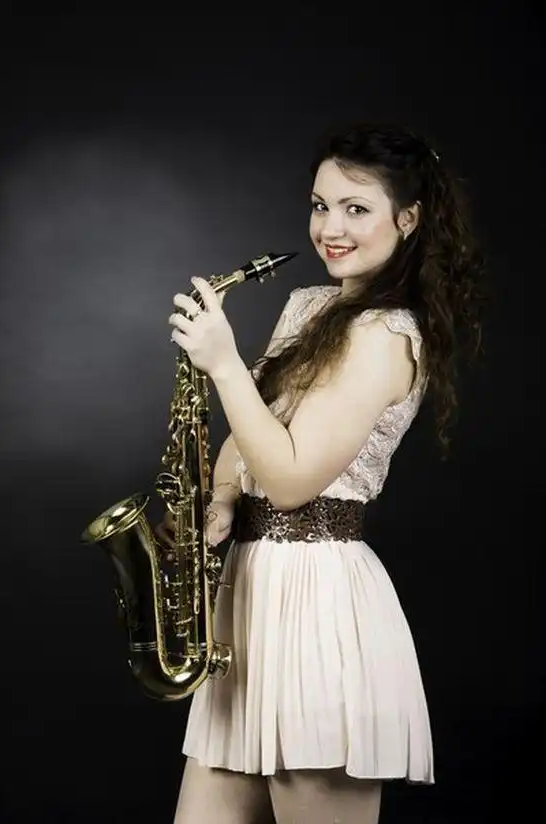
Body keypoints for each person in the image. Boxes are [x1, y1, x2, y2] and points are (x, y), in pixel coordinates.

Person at [159, 121, 485, 824]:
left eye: (355, 209)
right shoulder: (309, 305)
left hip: (320, 610)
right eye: (319, 205)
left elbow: (291, 481)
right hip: (250, 599)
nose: (329, 228)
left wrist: (222, 363)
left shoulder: (387, 335)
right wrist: (222, 499)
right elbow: (252, 436)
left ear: (408, 219)